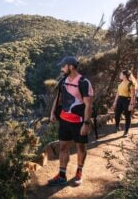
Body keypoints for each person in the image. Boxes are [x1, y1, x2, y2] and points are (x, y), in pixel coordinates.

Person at [48, 56, 93, 186]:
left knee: (80, 147)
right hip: (64, 121)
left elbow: (88, 105)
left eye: (63, 66)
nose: (62, 68)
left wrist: (86, 123)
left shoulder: (84, 82)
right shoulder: (63, 80)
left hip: (79, 122)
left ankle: (79, 172)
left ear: (71, 66)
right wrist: (52, 112)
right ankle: (62, 175)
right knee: (63, 147)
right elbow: (59, 97)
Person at [112, 70, 136, 136]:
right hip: (120, 100)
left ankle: (126, 130)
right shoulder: (120, 84)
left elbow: (132, 95)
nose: (120, 75)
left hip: (127, 100)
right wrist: (115, 101)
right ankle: (117, 126)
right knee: (117, 114)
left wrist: (131, 104)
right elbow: (118, 93)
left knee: (127, 116)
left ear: (125, 76)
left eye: (121, 74)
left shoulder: (131, 84)